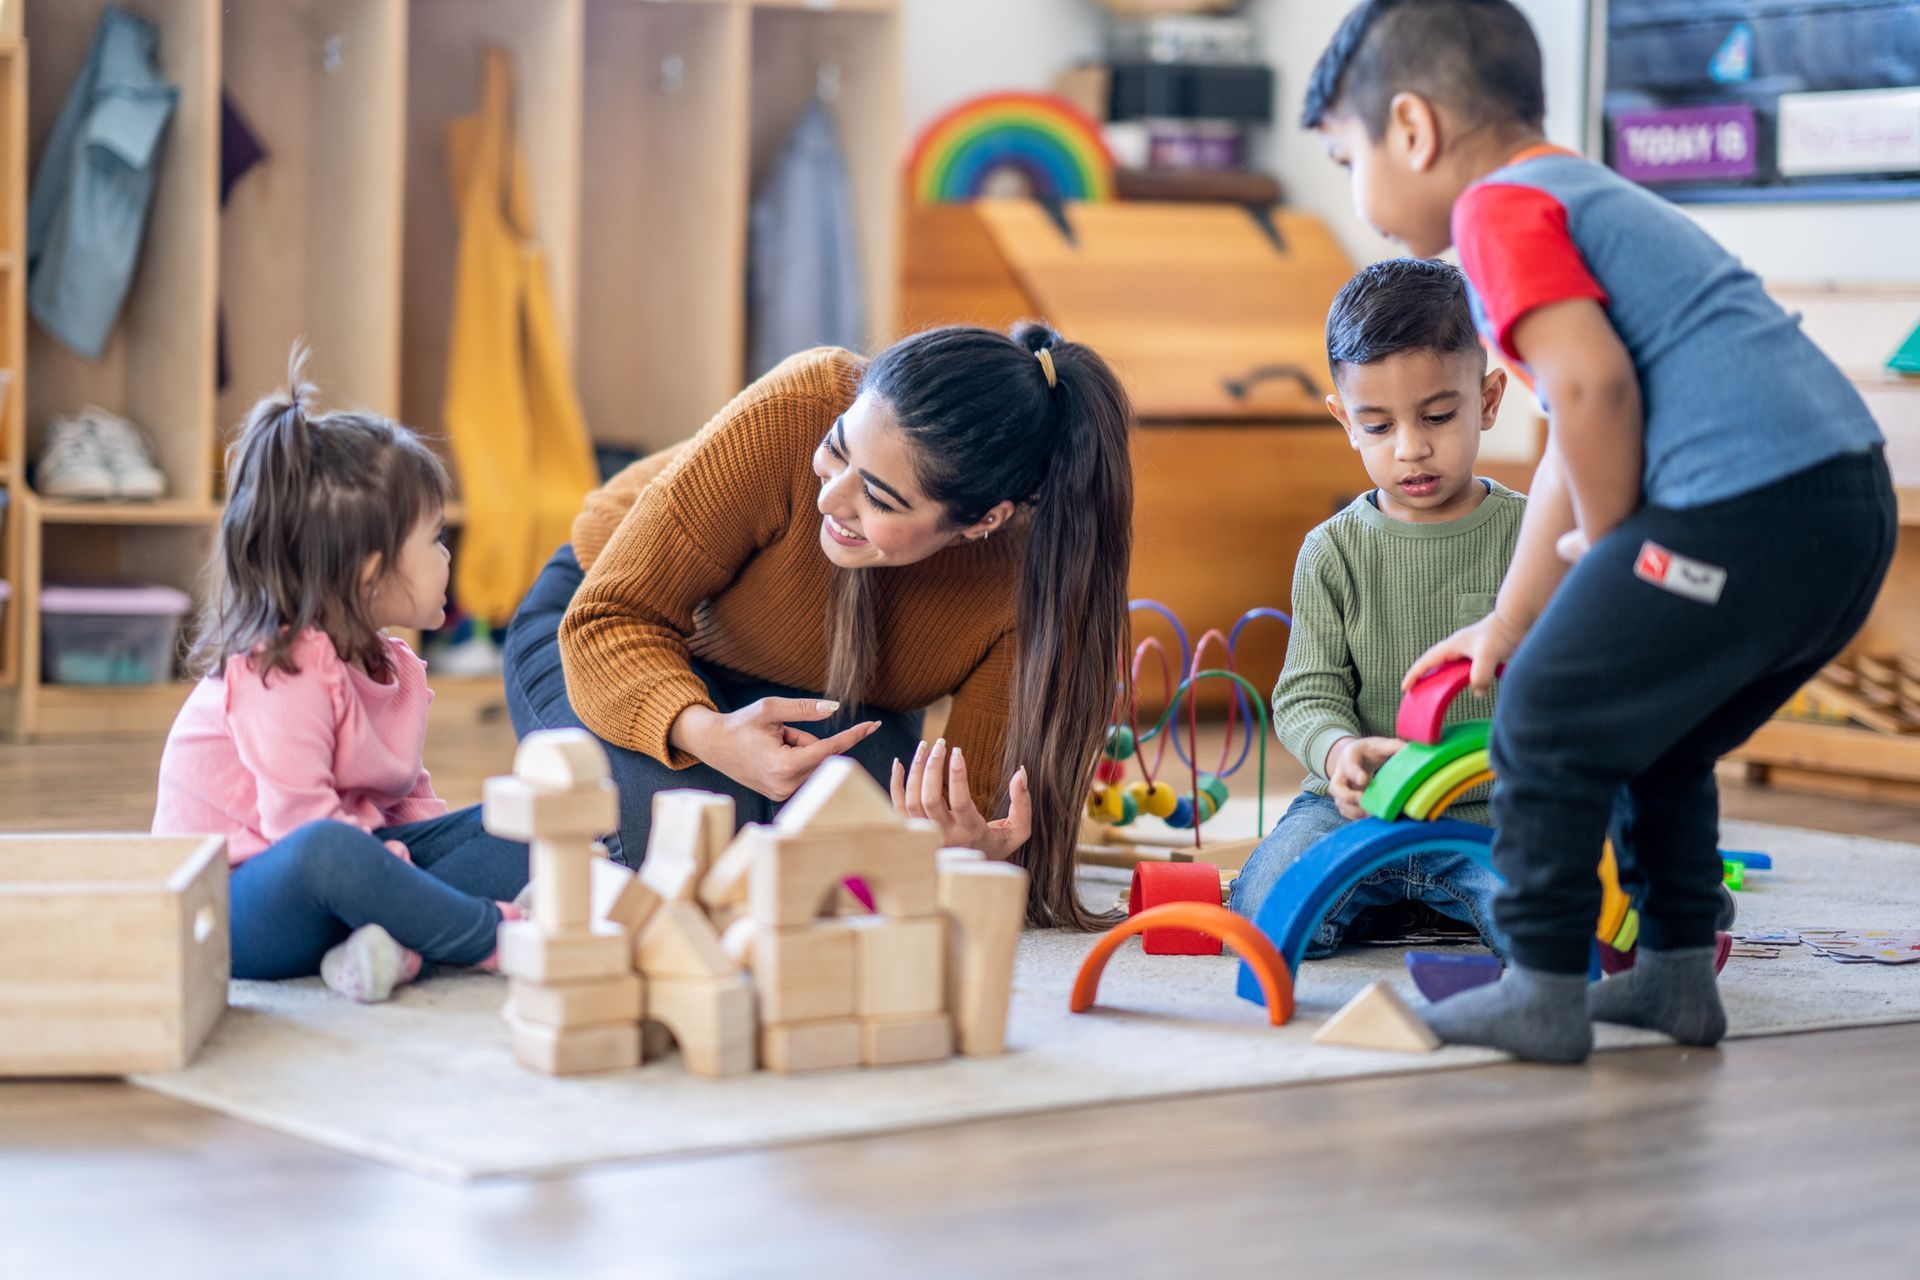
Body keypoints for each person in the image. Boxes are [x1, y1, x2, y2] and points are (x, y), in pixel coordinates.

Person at [1304, 0, 1892, 1061]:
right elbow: (1578, 429)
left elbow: (1593, 388)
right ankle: (1673, 976)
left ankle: (1539, 982)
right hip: (1838, 506)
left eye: (1348, 158)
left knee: (1544, 709)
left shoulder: (1497, 212)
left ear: (1413, 130)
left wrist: (1608, 557)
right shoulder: (1575, 193)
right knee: (1655, 728)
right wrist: (1517, 614)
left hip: (1748, 499)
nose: (1358, 193)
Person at [504, 324, 1134, 927]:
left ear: (981, 522)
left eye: (881, 500)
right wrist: (708, 734)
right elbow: (608, 618)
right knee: (671, 849)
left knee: (844, 862)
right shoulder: (797, 404)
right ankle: (413, 864)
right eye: (837, 448)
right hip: (609, 622)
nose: (828, 501)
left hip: (831, 694)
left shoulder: (1031, 586)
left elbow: (981, 809)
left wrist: (965, 850)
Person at [154, 348, 528, 1003]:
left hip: (353, 868)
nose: (448, 558)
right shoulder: (283, 668)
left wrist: (422, 877)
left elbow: (411, 801)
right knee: (330, 848)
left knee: (519, 819)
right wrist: (417, 885)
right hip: (240, 905)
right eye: (437, 539)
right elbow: (303, 832)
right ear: (369, 570)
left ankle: (398, 937)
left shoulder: (391, 663)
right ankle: (492, 935)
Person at [1228, 257, 1522, 959]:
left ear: (1486, 400)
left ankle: (1427, 904)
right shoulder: (1331, 551)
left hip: (1494, 815)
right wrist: (1338, 753)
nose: (1412, 448)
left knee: (1564, 918)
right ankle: (1399, 902)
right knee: (1262, 905)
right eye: (1379, 425)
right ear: (1345, 422)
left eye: (1439, 416)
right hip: (1353, 813)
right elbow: (1306, 694)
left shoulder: (1528, 537)